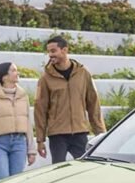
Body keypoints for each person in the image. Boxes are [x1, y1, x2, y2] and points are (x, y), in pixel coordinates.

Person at [34, 35, 106, 163]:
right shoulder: (45, 78)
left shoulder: (83, 73)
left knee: (84, 169)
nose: (50, 55)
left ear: (65, 50)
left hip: (80, 132)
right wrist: (40, 140)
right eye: (49, 52)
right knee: (58, 170)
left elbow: (93, 103)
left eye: (53, 51)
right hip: (57, 134)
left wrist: (100, 133)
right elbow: (40, 109)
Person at [0, 62, 37, 180]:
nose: (17, 73)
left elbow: (28, 123)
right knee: (1, 180)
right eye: (14, 70)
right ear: (4, 77)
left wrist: (31, 149)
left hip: (19, 143)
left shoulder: (23, 96)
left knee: (15, 182)